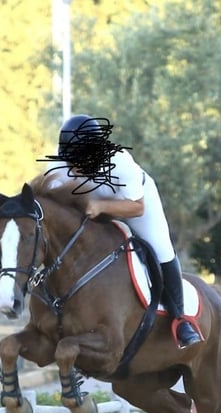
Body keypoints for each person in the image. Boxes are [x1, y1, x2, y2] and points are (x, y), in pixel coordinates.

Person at [46, 114, 203, 349]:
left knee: (161, 249)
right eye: (70, 161)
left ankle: (180, 319)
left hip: (132, 202)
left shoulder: (119, 162)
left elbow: (137, 207)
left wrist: (101, 207)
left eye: (78, 161)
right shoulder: (59, 166)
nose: (74, 168)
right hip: (92, 205)